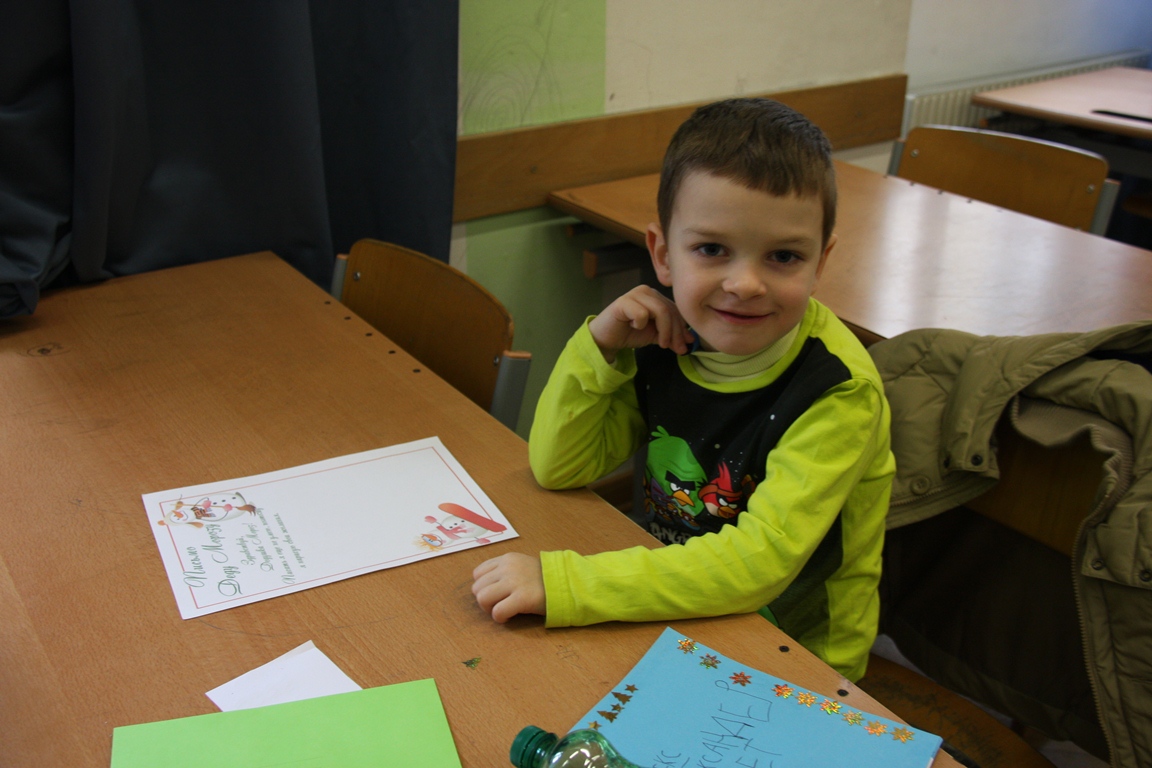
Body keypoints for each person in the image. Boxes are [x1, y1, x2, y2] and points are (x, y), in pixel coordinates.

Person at [471, 98, 895, 681]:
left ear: (820, 262)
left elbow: (757, 567)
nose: (744, 284)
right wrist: (599, 347)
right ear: (663, 255)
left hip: (795, 654)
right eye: (712, 250)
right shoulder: (663, 339)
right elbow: (559, 467)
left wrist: (566, 584)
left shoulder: (839, 391)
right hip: (673, 603)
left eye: (783, 256)